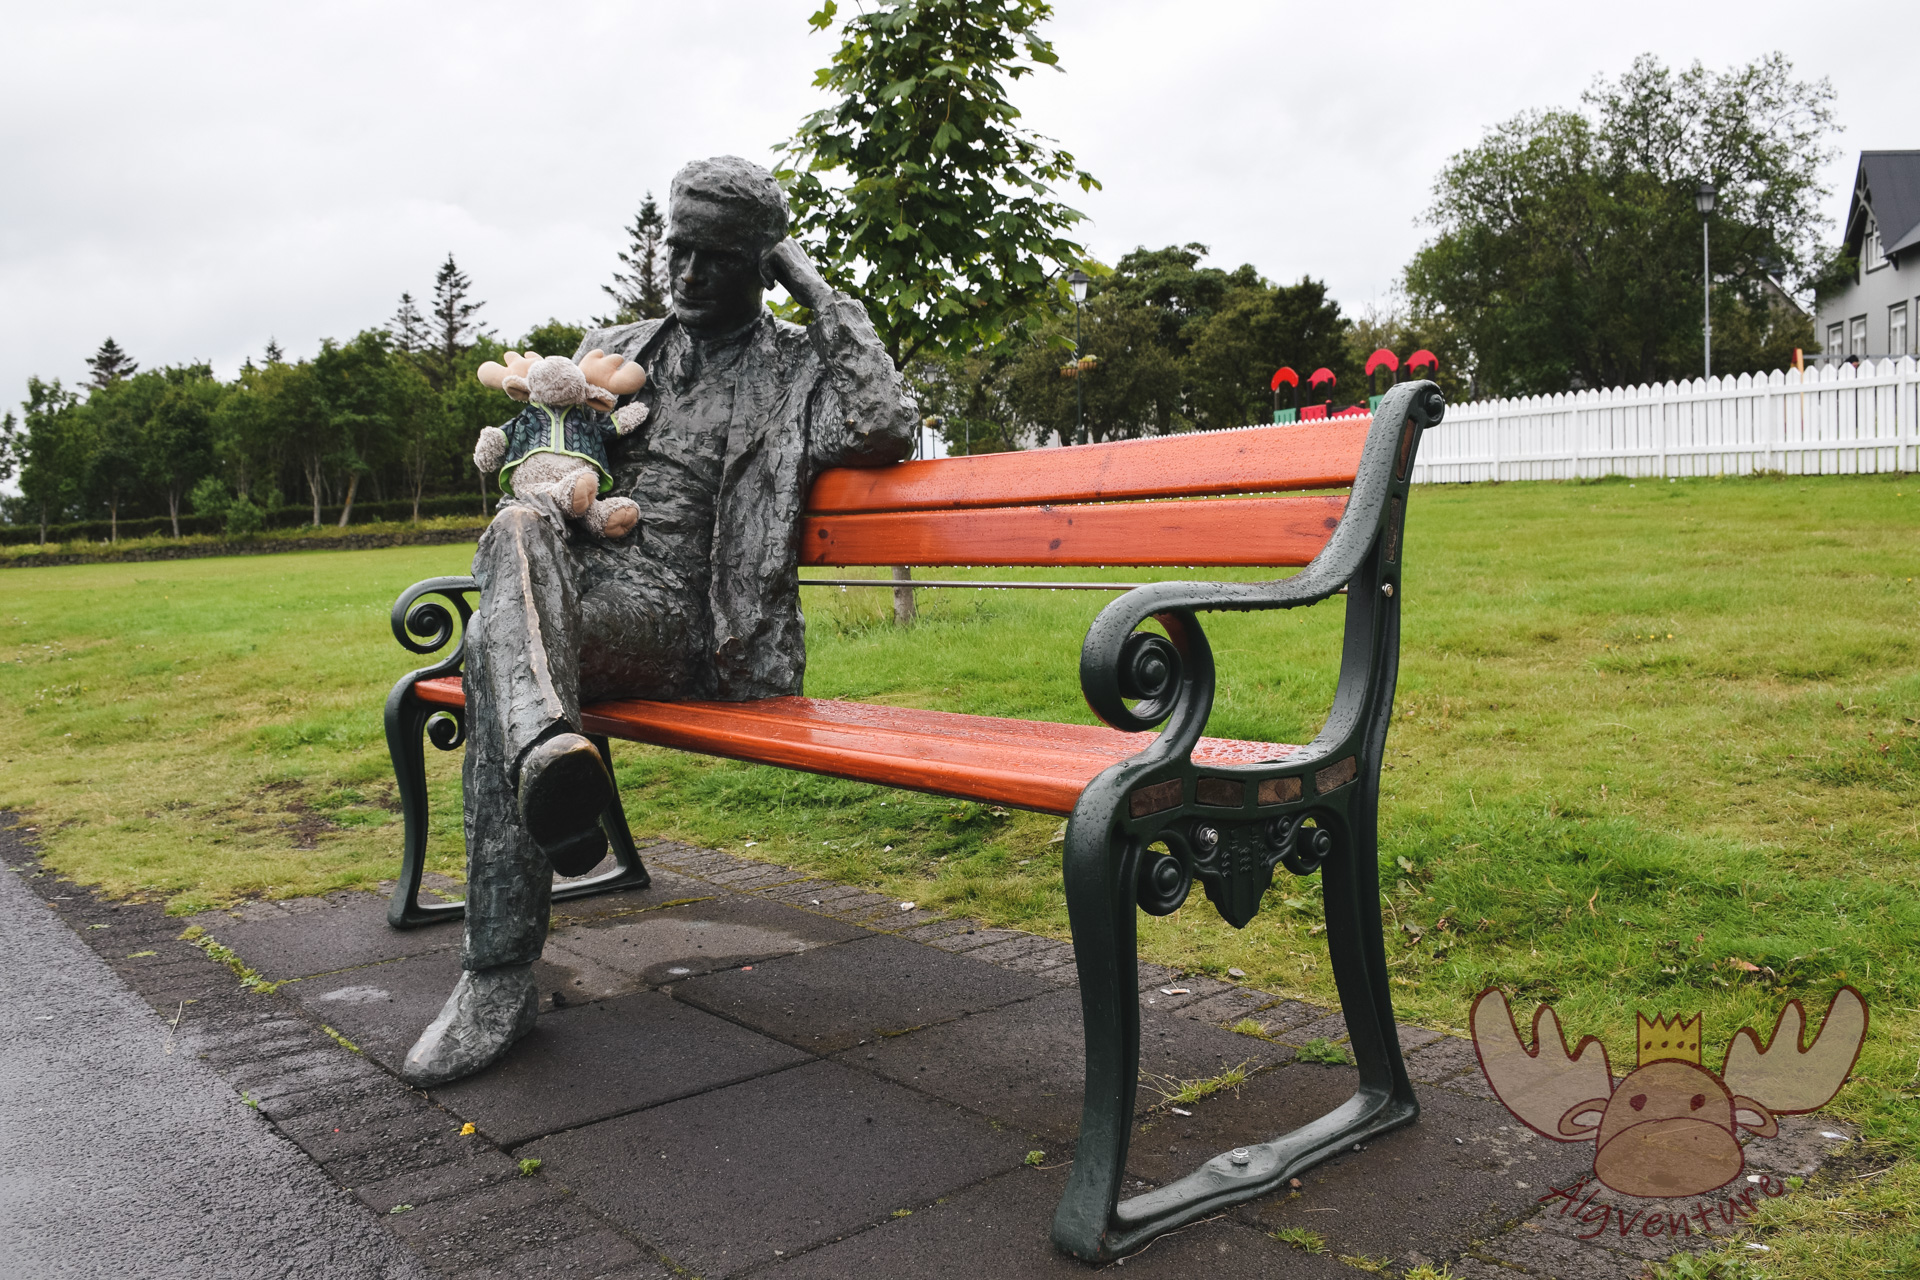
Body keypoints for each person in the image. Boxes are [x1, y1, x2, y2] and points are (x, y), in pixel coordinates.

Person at [400, 156, 918, 1085]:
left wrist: (815, 286)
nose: (685, 274)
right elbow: (554, 449)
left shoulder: (798, 366)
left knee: (491, 647)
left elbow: (885, 423)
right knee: (520, 524)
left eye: (715, 258)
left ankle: (499, 973)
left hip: (693, 623)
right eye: (675, 249)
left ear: (764, 264)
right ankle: (548, 760)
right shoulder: (620, 343)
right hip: (592, 592)